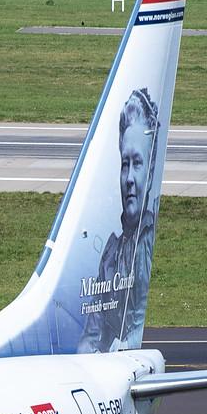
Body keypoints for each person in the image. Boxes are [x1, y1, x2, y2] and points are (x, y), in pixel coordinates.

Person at [80, 88, 162, 353]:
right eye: (124, 163)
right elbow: (90, 334)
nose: (128, 177)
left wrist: (125, 347)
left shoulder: (146, 242)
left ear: (150, 172)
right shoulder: (111, 253)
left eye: (137, 163)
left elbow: (137, 324)